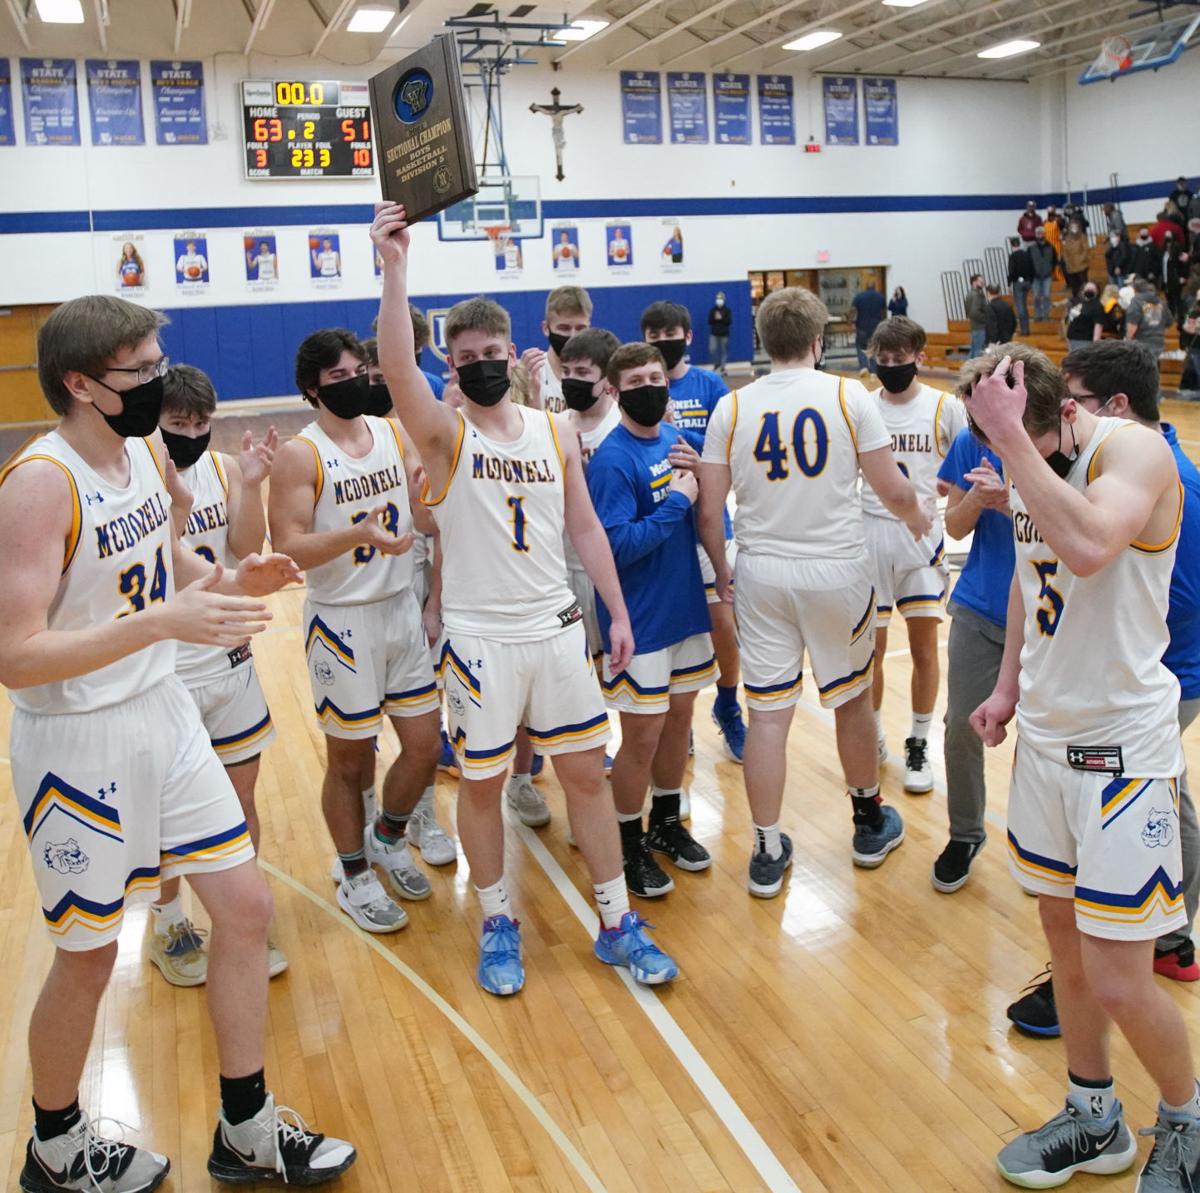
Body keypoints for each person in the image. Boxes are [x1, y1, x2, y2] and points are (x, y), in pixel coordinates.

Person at [0, 294, 355, 1187]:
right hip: (77, 738)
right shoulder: (39, 484)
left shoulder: (148, 452)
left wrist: (232, 577)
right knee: (89, 956)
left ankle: (245, 1128)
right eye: (141, 370)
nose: (159, 381)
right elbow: (14, 654)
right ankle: (55, 1146)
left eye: (160, 362)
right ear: (81, 384)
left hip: (161, 710)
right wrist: (164, 622)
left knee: (244, 907)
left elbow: (164, 562)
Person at [371, 201, 679, 995]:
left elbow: (585, 528)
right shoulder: (445, 434)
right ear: (452, 361)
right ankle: (497, 918)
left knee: (585, 777)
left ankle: (616, 921)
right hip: (480, 638)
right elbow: (398, 370)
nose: (480, 363)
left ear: (513, 355)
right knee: (481, 784)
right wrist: (396, 269)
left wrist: (615, 609)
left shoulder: (555, 431)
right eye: (466, 355)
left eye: (491, 352)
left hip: (556, 627)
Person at [965, 341, 1200, 1191]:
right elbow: (1033, 576)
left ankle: (1187, 1120)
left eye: (1012, 436)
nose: (1006, 453)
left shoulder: (1134, 449)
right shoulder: (1028, 454)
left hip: (1122, 755)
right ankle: (1094, 1113)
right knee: (1064, 952)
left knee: (1119, 976)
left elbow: (1093, 543)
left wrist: (1012, 445)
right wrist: (1006, 688)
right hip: (1046, 744)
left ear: (1067, 409)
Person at [698, 286, 929, 895]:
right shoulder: (849, 396)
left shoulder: (732, 406)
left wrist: (721, 569)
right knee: (851, 701)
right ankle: (868, 822)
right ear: (818, 341)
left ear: (762, 342)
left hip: (762, 572)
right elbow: (893, 490)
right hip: (834, 569)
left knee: (768, 715)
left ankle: (767, 848)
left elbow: (709, 510)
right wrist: (919, 521)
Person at [1006, 340, 1200, 1039]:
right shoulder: (1056, 466)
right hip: (1072, 701)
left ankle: (1166, 932)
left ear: (1109, 404)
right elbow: (1039, 577)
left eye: (1076, 395)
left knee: (1167, 810)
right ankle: (1145, 946)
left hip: (1163, 673)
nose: (1066, 404)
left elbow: (1175, 596)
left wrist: (1116, 651)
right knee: (1072, 916)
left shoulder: (1155, 466)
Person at [268, 328, 446, 934]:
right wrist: (356, 534)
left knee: (424, 747)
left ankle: (388, 838)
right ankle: (354, 874)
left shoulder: (392, 433)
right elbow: (288, 545)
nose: (352, 383)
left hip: (398, 607)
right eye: (337, 377)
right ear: (312, 389)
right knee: (348, 761)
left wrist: (431, 504)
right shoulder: (302, 454)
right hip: (341, 620)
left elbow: (422, 515)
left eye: (357, 372)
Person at [144, 364, 287, 987]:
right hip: (167, 670)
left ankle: (238, 923)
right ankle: (169, 922)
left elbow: (247, 547)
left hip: (230, 662)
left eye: (202, 422)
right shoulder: (137, 475)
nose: (193, 433)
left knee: (240, 797)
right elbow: (157, 561)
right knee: (163, 812)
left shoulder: (225, 468)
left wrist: (251, 485)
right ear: (154, 422)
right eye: (178, 423)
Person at [588, 341, 714, 898]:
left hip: (683, 607)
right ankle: (627, 840)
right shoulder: (612, 461)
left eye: (655, 379)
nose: (648, 389)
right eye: (635, 382)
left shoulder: (677, 442)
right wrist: (678, 501)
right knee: (641, 737)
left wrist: (703, 483)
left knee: (679, 725)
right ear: (614, 391)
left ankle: (665, 821)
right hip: (639, 621)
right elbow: (616, 547)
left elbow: (706, 508)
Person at [861, 317, 967, 792]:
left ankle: (919, 742)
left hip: (922, 535)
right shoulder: (863, 406)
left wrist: (951, 488)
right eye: (882, 359)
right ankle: (874, 732)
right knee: (872, 651)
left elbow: (968, 463)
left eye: (899, 359)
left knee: (924, 648)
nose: (890, 366)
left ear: (920, 358)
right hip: (869, 533)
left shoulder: (945, 407)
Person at [641, 299, 746, 766]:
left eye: (671, 334)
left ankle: (728, 706)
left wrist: (690, 448)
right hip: (660, 527)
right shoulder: (639, 387)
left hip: (709, 524)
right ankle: (675, 721)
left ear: (687, 336)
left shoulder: (710, 386)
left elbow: (732, 451)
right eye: (655, 335)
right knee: (669, 632)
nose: (664, 342)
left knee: (723, 625)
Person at [931, 416, 1013, 893]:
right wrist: (979, 500)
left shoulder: (1060, 438)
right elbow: (955, 527)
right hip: (980, 605)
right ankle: (965, 834)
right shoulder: (972, 440)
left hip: (1050, 615)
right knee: (961, 722)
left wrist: (1010, 501)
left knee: (1042, 737)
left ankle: (1040, 842)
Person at [522, 284, 593, 415]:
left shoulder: (599, 375)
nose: (573, 336)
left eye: (580, 328)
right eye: (564, 328)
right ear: (546, 328)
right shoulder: (532, 372)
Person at [1126, 276, 1170, 358]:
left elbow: (1132, 325)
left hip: (1141, 343)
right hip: (1159, 342)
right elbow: (1168, 322)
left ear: (1135, 290)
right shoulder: (1161, 302)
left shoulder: (1136, 302)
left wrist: (1127, 341)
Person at [850, 279, 887, 375]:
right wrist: (883, 323)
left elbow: (853, 310)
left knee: (860, 346)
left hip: (862, 326)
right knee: (875, 347)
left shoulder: (859, 296)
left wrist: (851, 322)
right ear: (875, 287)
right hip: (876, 327)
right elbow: (884, 312)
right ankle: (874, 370)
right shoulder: (881, 297)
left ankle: (863, 367)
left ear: (866, 287)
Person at [1028, 226, 1057, 323]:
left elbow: (1054, 260)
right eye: (1038, 233)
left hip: (1047, 276)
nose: (1040, 234)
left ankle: (1045, 315)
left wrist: (1051, 270)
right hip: (1035, 277)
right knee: (1036, 296)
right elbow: (1028, 262)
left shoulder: (1051, 247)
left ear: (1044, 234)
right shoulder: (1031, 248)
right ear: (1035, 235)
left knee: (1046, 296)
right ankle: (1038, 314)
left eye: (1041, 232)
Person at [1064, 282, 1103, 352]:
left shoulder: (1097, 306)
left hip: (1085, 339)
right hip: (1072, 338)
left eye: (1092, 289)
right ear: (1083, 290)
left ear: (1097, 292)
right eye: (1088, 288)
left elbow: (1098, 325)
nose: (1090, 290)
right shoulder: (1077, 302)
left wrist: (1096, 344)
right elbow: (1067, 320)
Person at [1008, 236, 1034, 336]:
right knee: (1024, 306)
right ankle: (1026, 328)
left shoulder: (1012, 256)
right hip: (1028, 281)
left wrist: (1009, 284)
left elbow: (1012, 271)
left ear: (1011, 245)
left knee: (1021, 307)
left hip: (1018, 282)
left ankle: (1025, 330)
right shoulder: (1026, 254)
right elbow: (1032, 268)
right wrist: (1031, 280)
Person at [1061, 220, 1090, 295]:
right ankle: (1076, 299)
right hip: (1071, 267)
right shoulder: (1067, 238)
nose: (1074, 228)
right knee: (1075, 287)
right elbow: (1065, 251)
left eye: (1075, 227)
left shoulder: (1082, 237)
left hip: (1081, 266)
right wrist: (1067, 261)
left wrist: (1081, 259)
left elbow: (1086, 250)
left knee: (1084, 285)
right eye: (1072, 227)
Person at [707, 290, 732, 374]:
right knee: (712, 349)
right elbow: (709, 321)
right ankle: (716, 364)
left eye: (721, 299)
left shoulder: (727, 310)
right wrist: (715, 318)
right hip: (714, 333)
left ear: (724, 300)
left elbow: (729, 321)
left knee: (724, 350)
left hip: (724, 334)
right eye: (718, 298)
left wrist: (721, 318)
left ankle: (723, 367)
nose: (719, 300)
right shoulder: (713, 310)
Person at [964, 274, 988, 357]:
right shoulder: (977, 295)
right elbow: (974, 312)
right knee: (978, 352)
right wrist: (986, 319)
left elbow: (968, 311)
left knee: (973, 352)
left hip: (974, 326)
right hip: (980, 327)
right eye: (980, 281)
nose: (983, 283)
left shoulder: (970, 294)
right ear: (974, 282)